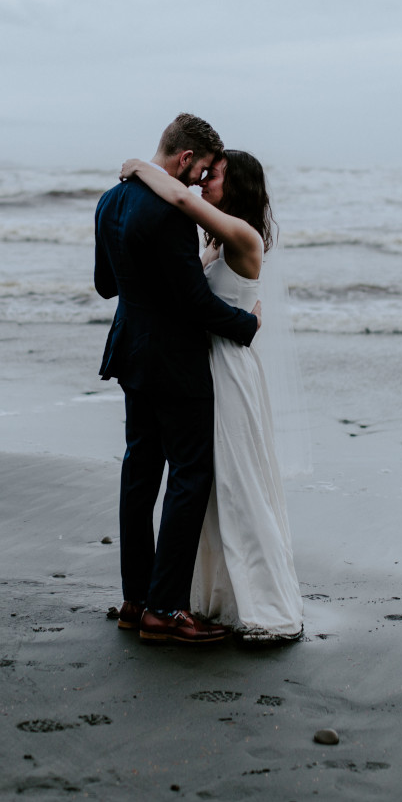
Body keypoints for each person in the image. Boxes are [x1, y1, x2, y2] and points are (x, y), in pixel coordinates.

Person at [118, 149, 305, 641]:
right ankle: (205, 596)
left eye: (215, 176)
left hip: (230, 373)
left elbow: (179, 196)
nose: (204, 182)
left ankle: (263, 598)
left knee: (238, 482)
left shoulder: (242, 237)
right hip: (201, 371)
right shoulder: (219, 247)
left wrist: (141, 168)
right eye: (205, 174)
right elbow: (188, 291)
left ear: (238, 185)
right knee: (210, 488)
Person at [94, 114, 261, 644]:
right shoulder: (170, 213)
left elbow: (105, 285)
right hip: (175, 362)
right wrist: (246, 325)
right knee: (190, 476)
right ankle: (165, 609)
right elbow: (192, 301)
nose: (199, 182)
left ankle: (134, 600)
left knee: (139, 474)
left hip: (131, 354)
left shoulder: (110, 201)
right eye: (204, 169)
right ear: (186, 158)